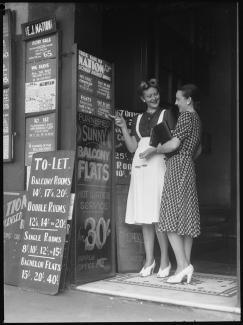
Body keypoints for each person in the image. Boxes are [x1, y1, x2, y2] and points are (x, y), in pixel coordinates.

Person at [113, 78, 177, 277]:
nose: (154, 98)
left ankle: (165, 261)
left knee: (158, 215)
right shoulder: (138, 119)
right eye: (149, 96)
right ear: (142, 98)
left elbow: (173, 143)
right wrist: (123, 126)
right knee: (144, 216)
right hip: (140, 167)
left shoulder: (166, 114)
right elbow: (133, 148)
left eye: (155, 94)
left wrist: (154, 150)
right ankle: (150, 260)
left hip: (158, 165)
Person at [140, 83, 202, 283]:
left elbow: (174, 144)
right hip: (188, 165)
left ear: (188, 100)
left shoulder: (185, 117)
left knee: (168, 219)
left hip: (177, 167)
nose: (175, 102)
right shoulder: (197, 119)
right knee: (186, 218)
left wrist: (156, 149)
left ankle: (184, 266)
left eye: (178, 99)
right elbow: (198, 150)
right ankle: (183, 269)